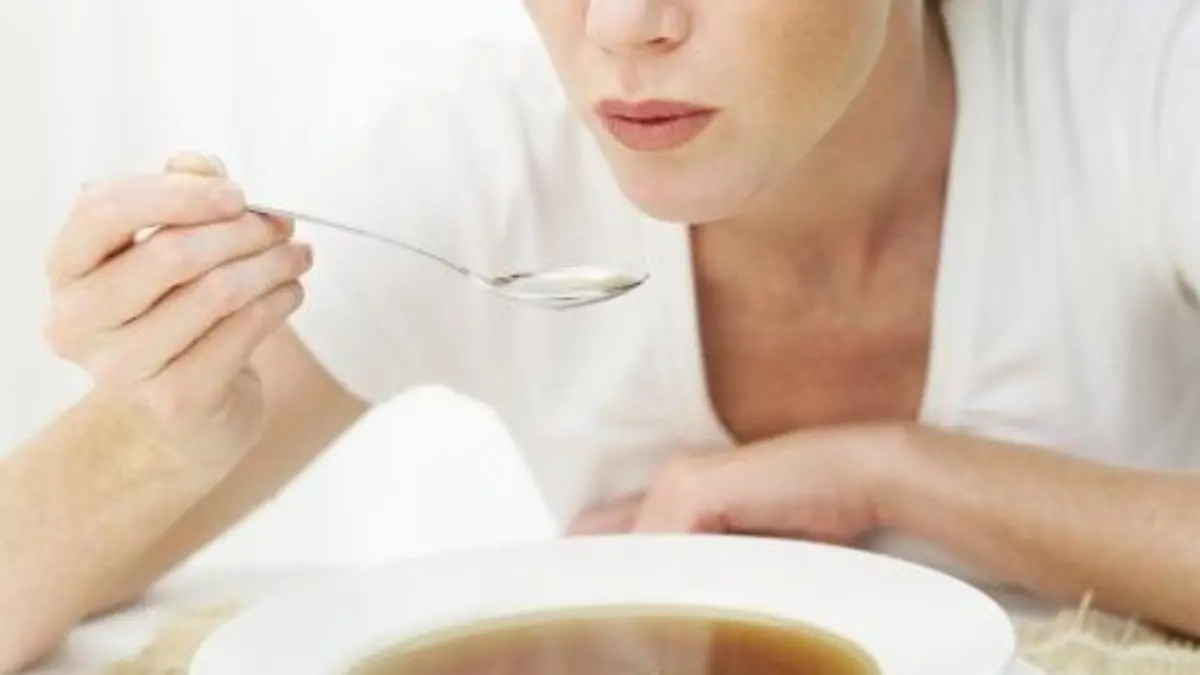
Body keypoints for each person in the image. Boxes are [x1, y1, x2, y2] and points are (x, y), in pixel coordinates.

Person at [4, 0, 1200, 668]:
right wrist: (160, 433)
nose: (623, 25)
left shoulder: (1141, 87)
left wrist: (896, 469)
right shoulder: (481, 168)